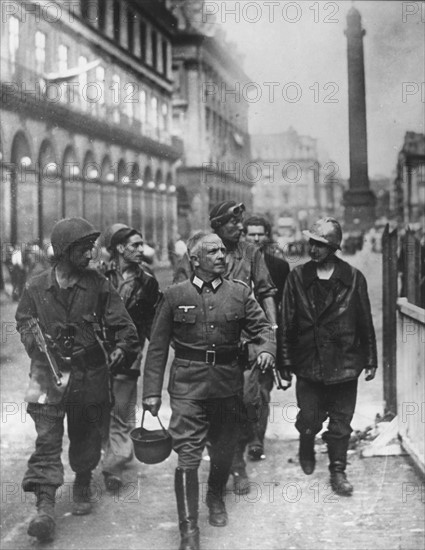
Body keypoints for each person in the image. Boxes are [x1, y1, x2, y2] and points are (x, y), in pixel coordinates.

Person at [142, 231, 276, 550]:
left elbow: (262, 329)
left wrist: (267, 349)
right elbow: (158, 347)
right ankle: (189, 531)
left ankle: (215, 495)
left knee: (224, 448)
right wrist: (151, 393)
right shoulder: (174, 295)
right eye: (212, 251)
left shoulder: (240, 294)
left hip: (228, 384)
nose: (221, 256)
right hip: (187, 385)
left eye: (222, 251)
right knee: (187, 453)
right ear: (194, 260)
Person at [15, 217, 140, 542]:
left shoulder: (98, 284)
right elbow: (24, 320)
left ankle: (83, 481)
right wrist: (37, 345)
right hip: (47, 373)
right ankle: (44, 508)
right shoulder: (35, 286)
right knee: (46, 441)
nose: (91, 254)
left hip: (90, 372)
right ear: (66, 251)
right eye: (84, 248)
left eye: (91, 247)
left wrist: (120, 350)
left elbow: (125, 328)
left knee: (85, 434)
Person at [172, 200, 277, 495]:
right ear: (216, 225)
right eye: (232, 222)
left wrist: (272, 330)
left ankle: (238, 461)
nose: (240, 227)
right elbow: (178, 295)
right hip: (208, 344)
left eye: (240, 221)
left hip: (243, 344)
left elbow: (266, 291)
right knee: (211, 405)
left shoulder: (251, 253)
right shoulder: (199, 249)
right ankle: (226, 460)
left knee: (245, 399)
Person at [279, 217, 377, 496]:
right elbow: (287, 321)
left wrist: (370, 358)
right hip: (308, 362)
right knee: (309, 418)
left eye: (320, 245)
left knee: (341, 422)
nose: (313, 249)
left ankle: (338, 471)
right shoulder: (297, 277)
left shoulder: (354, 277)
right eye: (311, 243)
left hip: (345, 362)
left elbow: (364, 320)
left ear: (333, 247)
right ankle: (306, 440)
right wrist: (284, 361)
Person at [101, 223, 161, 491]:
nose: (141, 249)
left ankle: (113, 466)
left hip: (130, 354)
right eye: (135, 245)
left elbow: (150, 322)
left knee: (122, 411)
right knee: (100, 409)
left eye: (141, 244)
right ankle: (110, 452)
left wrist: (157, 350)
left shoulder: (147, 281)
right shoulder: (98, 276)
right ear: (119, 248)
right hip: (97, 354)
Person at [243, 215, 291, 460]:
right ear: (243, 235)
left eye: (260, 234)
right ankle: (239, 437)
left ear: (267, 236)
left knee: (262, 392)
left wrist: (281, 354)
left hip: (265, 337)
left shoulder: (279, 267)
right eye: (251, 234)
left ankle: (255, 440)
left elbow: (283, 310)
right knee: (240, 392)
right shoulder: (232, 264)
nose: (256, 238)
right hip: (237, 338)